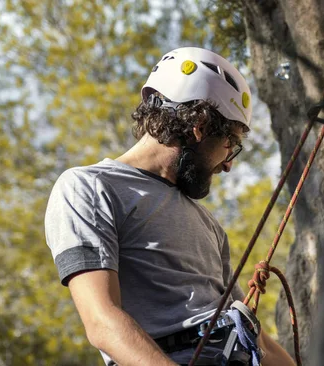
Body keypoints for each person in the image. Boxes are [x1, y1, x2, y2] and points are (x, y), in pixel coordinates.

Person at [44, 47, 296, 365]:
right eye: (230, 143)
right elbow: (102, 322)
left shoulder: (209, 226)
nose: (227, 165)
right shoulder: (90, 188)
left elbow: (250, 332)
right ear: (201, 126)